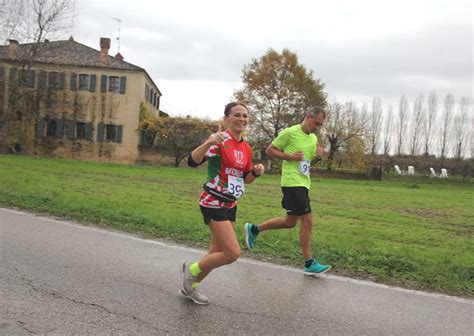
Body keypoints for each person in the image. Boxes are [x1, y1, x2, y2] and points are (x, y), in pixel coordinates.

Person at [181, 102, 265, 305]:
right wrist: (209, 142)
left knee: (215, 253)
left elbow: (244, 179)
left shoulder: (245, 146)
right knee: (232, 253)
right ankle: (190, 271)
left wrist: (255, 172)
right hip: (213, 201)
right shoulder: (220, 140)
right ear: (226, 118)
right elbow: (192, 162)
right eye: (237, 115)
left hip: (230, 204)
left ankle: (190, 288)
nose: (242, 119)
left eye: (245, 116)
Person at [244, 106, 331, 275]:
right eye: (316, 123)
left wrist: (318, 157)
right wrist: (290, 157)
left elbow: (307, 162)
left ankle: (254, 229)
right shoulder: (291, 132)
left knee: (290, 222)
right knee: (308, 220)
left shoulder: (313, 138)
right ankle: (309, 263)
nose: (317, 127)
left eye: (320, 125)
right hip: (292, 182)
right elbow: (270, 150)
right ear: (308, 116)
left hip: (303, 183)